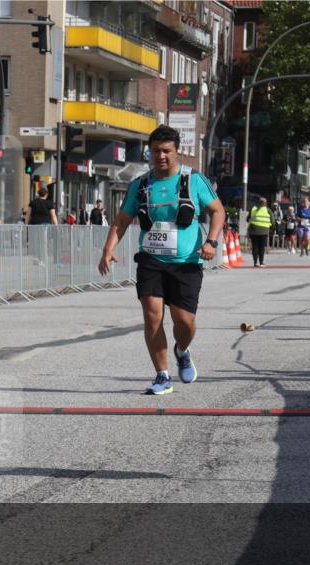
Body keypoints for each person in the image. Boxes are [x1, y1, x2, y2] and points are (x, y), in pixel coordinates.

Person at [98, 125, 224, 395]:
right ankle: (162, 375)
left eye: (166, 151)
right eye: (156, 151)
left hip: (187, 262)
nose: (161, 156)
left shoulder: (193, 181)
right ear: (149, 152)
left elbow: (218, 211)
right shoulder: (141, 184)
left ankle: (182, 350)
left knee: (184, 322)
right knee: (152, 316)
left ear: (176, 152)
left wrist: (211, 241)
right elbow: (122, 220)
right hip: (151, 260)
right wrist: (108, 249)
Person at [247, 196, 272, 267]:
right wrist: (272, 227)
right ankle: (261, 262)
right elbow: (272, 221)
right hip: (264, 231)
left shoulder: (253, 209)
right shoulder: (268, 210)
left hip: (253, 231)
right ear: (265, 203)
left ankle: (255, 262)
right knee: (261, 247)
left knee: (255, 247)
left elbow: (247, 219)